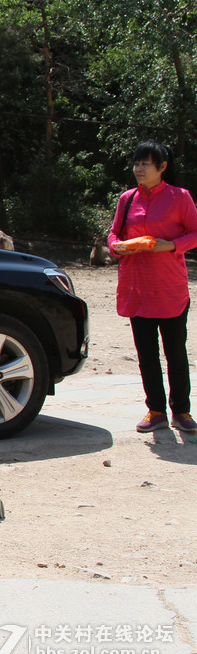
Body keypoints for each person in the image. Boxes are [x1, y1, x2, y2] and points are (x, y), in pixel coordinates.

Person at [107, 140, 197, 434]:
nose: (139, 168)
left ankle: (181, 411)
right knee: (146, 354)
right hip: (137, 288)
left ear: (162, 167)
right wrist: (117, 247)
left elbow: (195, 232)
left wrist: (172, 245)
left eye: (146, 163)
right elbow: (114, 233)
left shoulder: (180, 197)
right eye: (136, 163)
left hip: (170, 289)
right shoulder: (127, 199)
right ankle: (155, 410)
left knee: (175, 352)